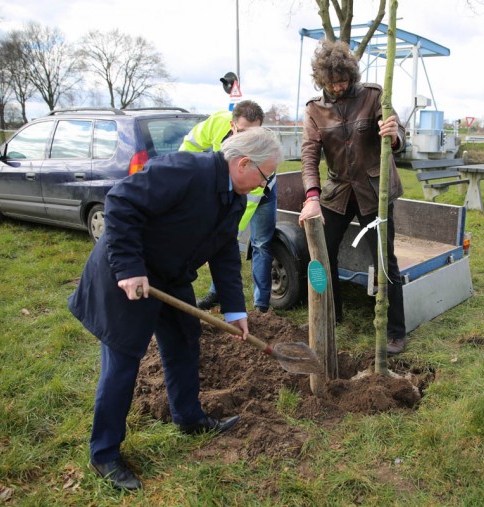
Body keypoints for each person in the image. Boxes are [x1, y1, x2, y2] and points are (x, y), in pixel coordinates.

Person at [68, 127, 283, 490]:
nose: (265, 187)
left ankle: (188, 417)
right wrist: (130, 268)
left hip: (170, 275)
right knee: (122, 361)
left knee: (185, 341)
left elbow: (224, 252)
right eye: (266, 177)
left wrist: (235, 310)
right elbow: (120, 201)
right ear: (244, 163)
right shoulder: (187, 171)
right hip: (128, 273)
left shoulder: (233, 199)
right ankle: (104, 453)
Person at [298, 39, 408, 356]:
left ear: (351, 74)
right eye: (332, 82)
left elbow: (397, 130)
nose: (339, 85)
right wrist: (312, 196)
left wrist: (394, 135)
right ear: (323, 80)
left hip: (374, 191)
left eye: (343, 79)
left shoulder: (373, 96)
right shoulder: (314, 109)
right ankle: (332, 315)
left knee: (385, 261)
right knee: (320, 254)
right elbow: (309, 156)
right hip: (337, 193)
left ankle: (395, 331)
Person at [180, 100, 277, 314]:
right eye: (242, 132)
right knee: (221, 243)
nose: (247, 140)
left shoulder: (260, 161)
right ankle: (218, 292)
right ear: (232, 125)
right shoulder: (217, 123)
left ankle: (261, 306)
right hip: (229, 181)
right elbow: (191, 144)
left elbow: (245, 208)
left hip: (258, 189)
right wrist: (182, 171)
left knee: (260, 243)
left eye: (254, 133)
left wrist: (225, 236)